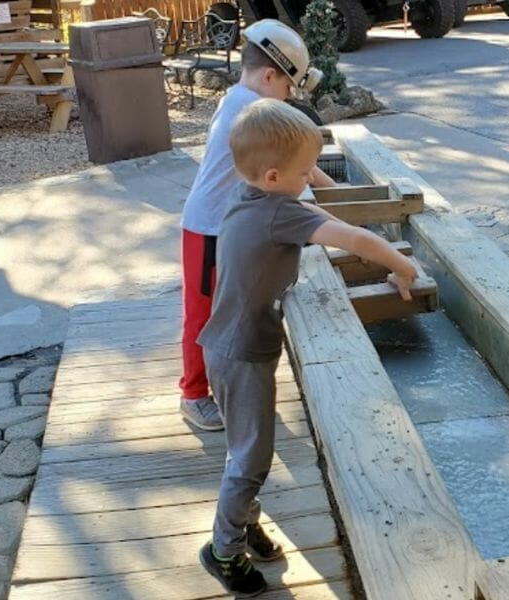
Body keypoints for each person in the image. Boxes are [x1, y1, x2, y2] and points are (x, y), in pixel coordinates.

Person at [197, 99, 418, 597]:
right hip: (243, 353)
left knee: (245, 448)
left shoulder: (248, 192)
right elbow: (353, 238)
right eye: (304, 172)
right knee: (251, 457)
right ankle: (223, 549)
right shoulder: (281, 212)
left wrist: (313, 176)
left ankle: (243, 522)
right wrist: (402, 267)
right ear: (275, 177)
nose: (310, 178)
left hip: (226, 345)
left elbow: (311, 201)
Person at [179, 19, 335, 432]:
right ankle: (194, 395)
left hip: (225, 226)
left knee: (223, 307)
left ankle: (217, 385)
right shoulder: (248, 112)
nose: (288, 97)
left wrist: (332, 189)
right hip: (207, 228)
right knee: (202, 313)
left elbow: (300, 161)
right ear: (269, 76)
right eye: (288, 87)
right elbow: (283, 167)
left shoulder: (241, 98)